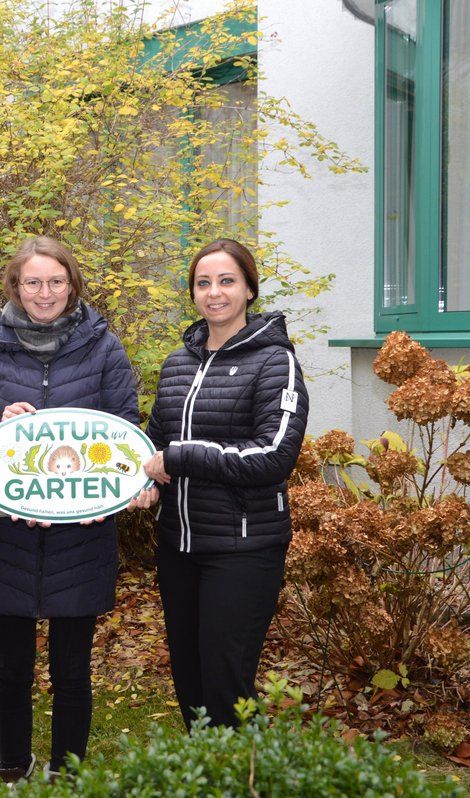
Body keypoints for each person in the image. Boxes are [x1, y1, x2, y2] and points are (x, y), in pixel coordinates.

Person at [0, 236, 140, 783]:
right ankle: (14, 765)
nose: (44, 293)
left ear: (72, 285)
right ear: (16, 287)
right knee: (11, 669)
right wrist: (3, 433)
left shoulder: (105, 349)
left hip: (80, 537)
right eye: (33, 282)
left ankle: (68, 771)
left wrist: (106, 495)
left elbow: (127, 434)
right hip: (9, 535)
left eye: (55, 282)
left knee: (71, 669)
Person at [130, 238, 308, 730]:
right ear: (192, 293)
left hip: (243, 549)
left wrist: (179, 457)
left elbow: (273, 456)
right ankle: (206, 772)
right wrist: (149, 485)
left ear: (249, 288)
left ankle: (238, 777)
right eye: (203, 283)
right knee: (189, 680)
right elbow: (156, 443)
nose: (214, 293)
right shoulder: (176, 365)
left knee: (226, 682)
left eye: (227, 281)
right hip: (179, 547)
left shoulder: (276, 363)